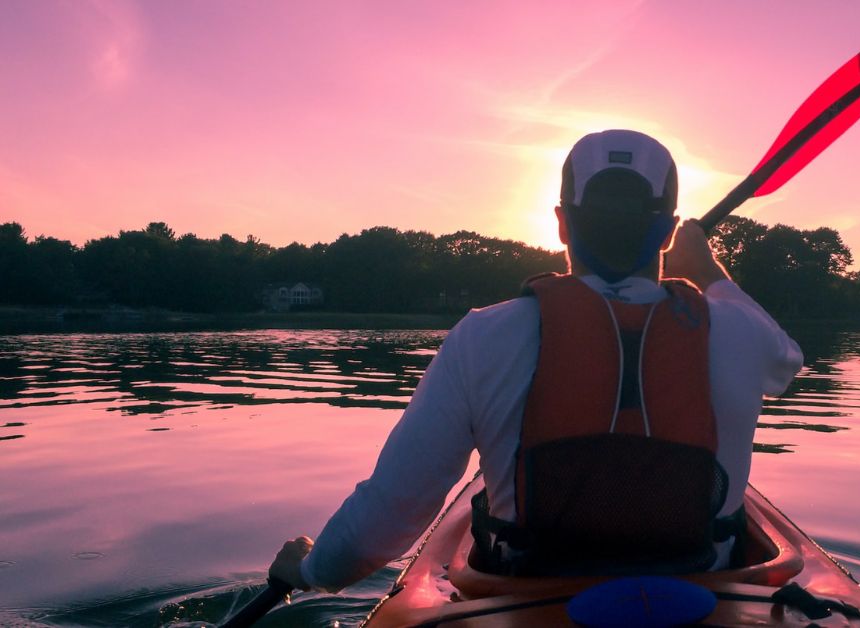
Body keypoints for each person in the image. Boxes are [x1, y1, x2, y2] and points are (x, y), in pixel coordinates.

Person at [268, 129, 804, 591]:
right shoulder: (739, 332)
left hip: (527, 596)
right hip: (705, 597)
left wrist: (311, 571)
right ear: (667, 231)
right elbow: (789, 361)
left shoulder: (483, 336)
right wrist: (707, 270)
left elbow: (387, 516)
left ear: (562, 224)